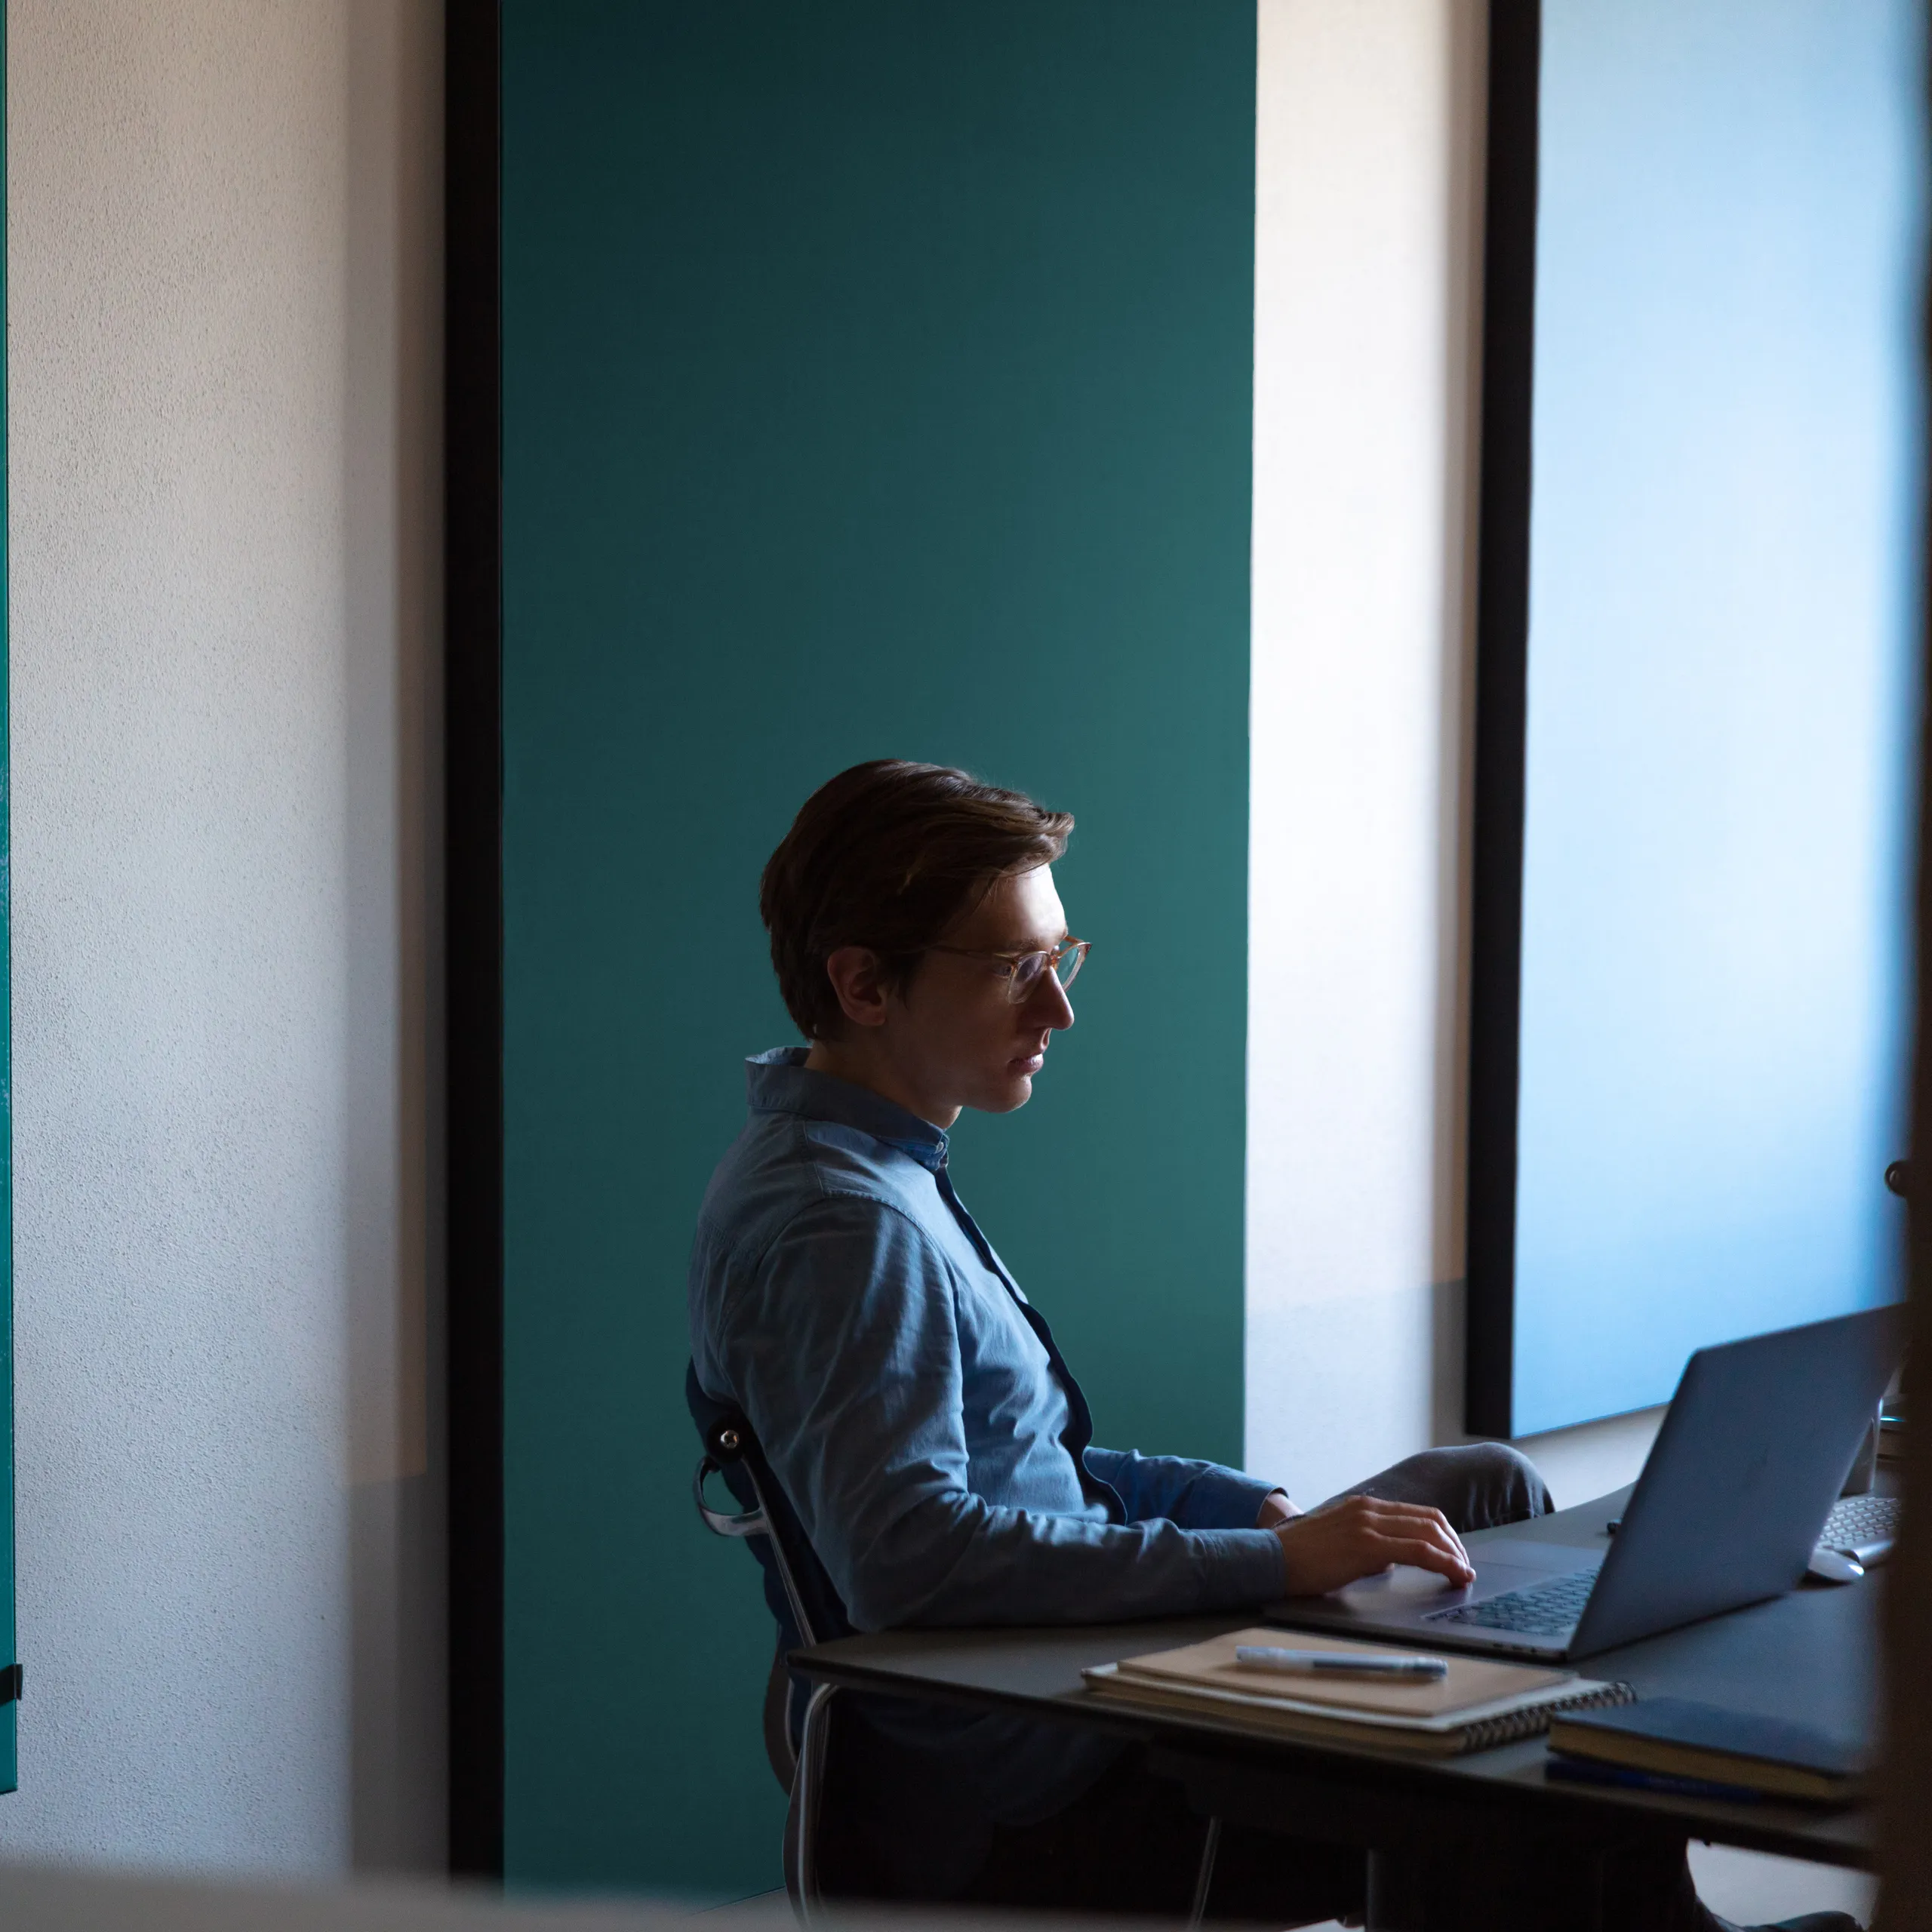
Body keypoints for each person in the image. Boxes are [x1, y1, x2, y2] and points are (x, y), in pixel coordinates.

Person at [688, 760, 1858, 1932]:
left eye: (1060, 958)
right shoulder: (840, 1227)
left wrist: (1255, 1512)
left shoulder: (876, 1170)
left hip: (1063, 1682)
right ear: (862, 985)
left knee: (1482, 1484)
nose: (1059, 1009)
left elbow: (1033, 1463)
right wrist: (1278, 1569)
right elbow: (915, 1562)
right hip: (1057, 1779)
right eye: (1014, 970)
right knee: (1509, 1752)